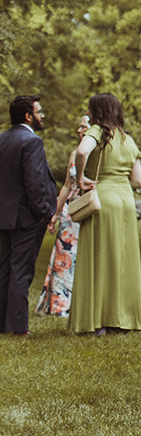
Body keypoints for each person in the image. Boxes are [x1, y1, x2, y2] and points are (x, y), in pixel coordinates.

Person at [70, 93, 141, 336]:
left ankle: (97, 321)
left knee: (98, 260)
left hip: (102, 198)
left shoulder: (97, 132)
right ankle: (121, 319)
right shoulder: (127, 139)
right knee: (122, 261)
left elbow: (82, 151)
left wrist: (81, 177)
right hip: (125, 201)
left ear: (96, 111)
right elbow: (138, 181)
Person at [1, 95, 55, 336]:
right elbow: (35, 184)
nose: (42, 116)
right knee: (21, 271)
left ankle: (3, 324)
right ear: (27, 115)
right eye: (39, 111)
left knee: (4, 270)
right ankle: (19, 328)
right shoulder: (31, 142)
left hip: (3, 217)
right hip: (26, 219)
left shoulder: (2, 140)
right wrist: (44, 212)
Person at [36, 114, 89, 318]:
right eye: (79, 127)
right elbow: (67, 184)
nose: (79, 130)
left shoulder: (99, 155)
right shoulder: (75, 153)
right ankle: (60, 305)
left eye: (83, 126)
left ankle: (83, 303)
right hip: (70, 210)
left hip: (87, 208)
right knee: (64, 254)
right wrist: (55, 213)